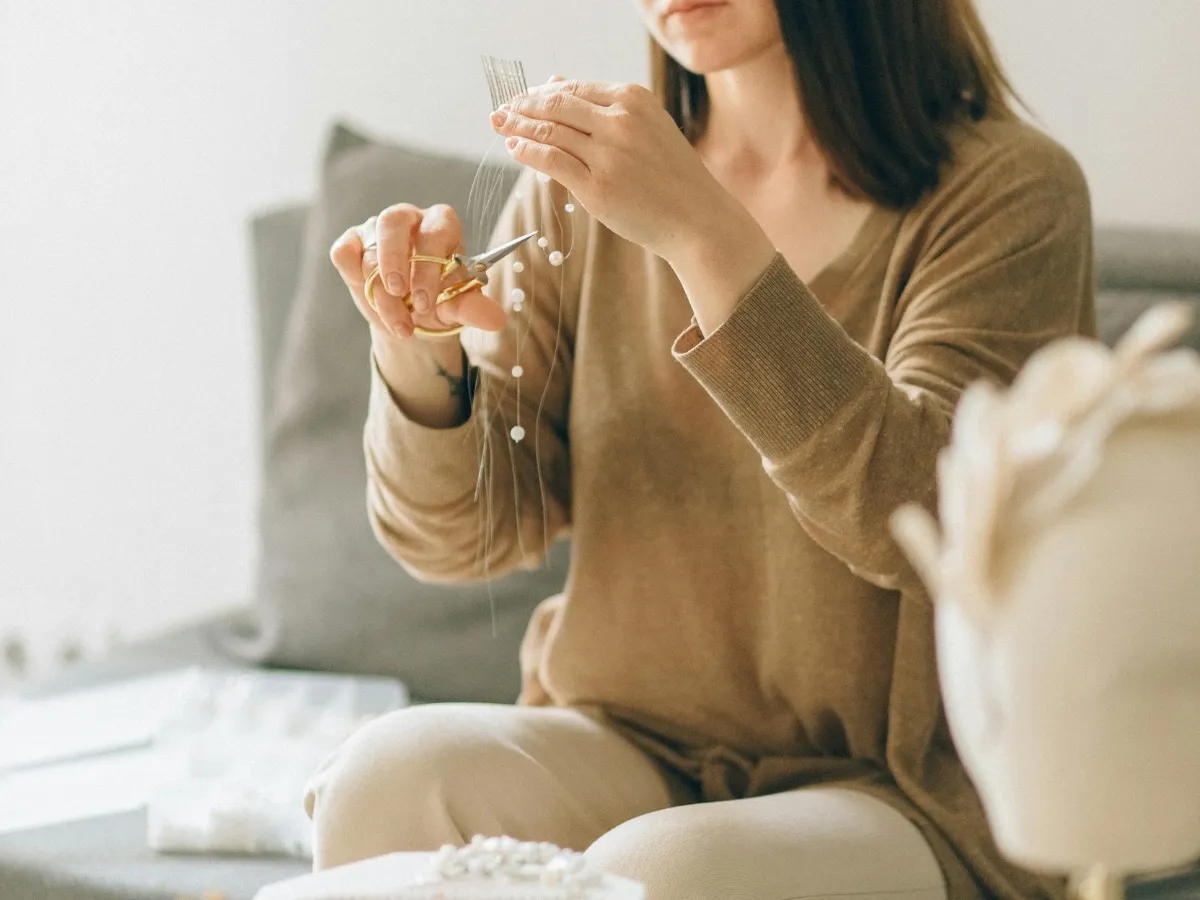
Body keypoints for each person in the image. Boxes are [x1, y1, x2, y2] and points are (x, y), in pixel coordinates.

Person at [312, 1, 1093, 898]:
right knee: (381, 781)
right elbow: (463, 541)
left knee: (659, 872)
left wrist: (702, 234)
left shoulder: (1010, 193)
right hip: (631, 741)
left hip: (900, 788)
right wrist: (420, 356)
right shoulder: (577, 196)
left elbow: (917, 514)